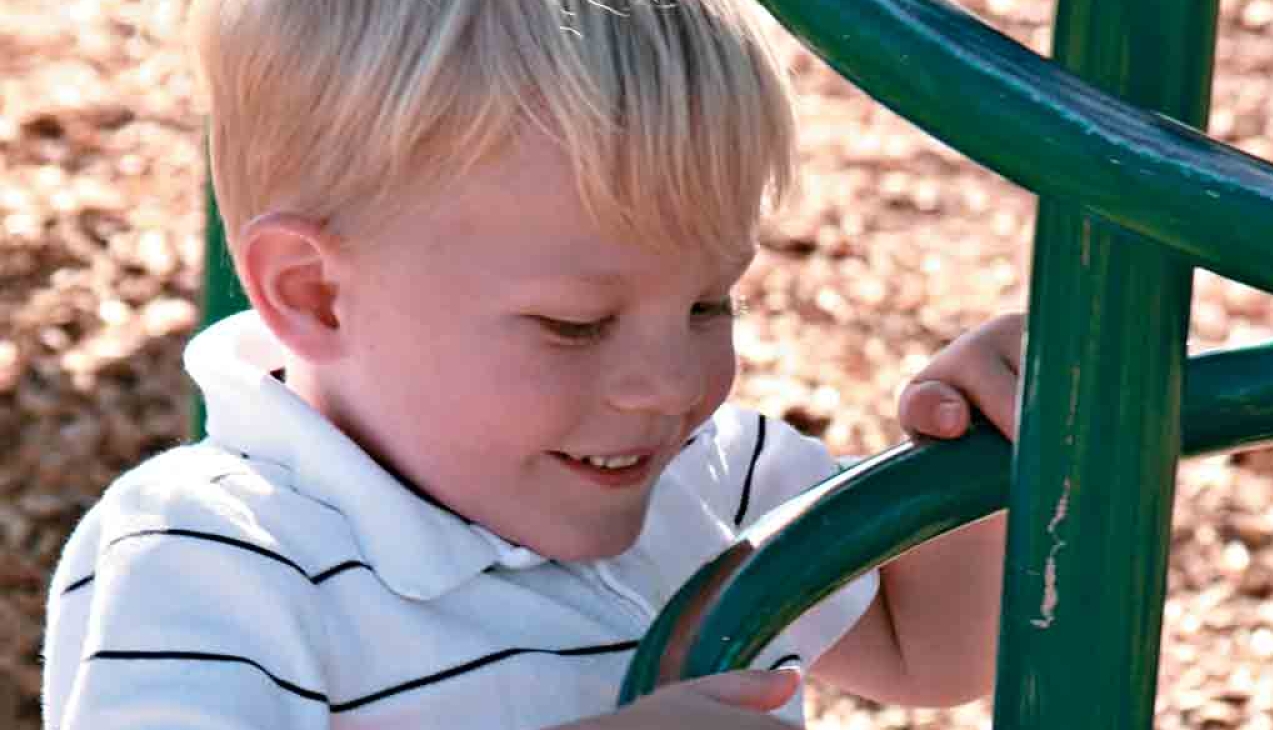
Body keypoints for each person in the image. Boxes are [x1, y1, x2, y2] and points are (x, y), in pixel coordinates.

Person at [40, 2, 1027, 728]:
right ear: (314, 294)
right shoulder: (211, 557)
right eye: (574, 323)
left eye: (705, 302)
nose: (670, 384)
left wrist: (982, 445)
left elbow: (928, 648)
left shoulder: (710, 477)